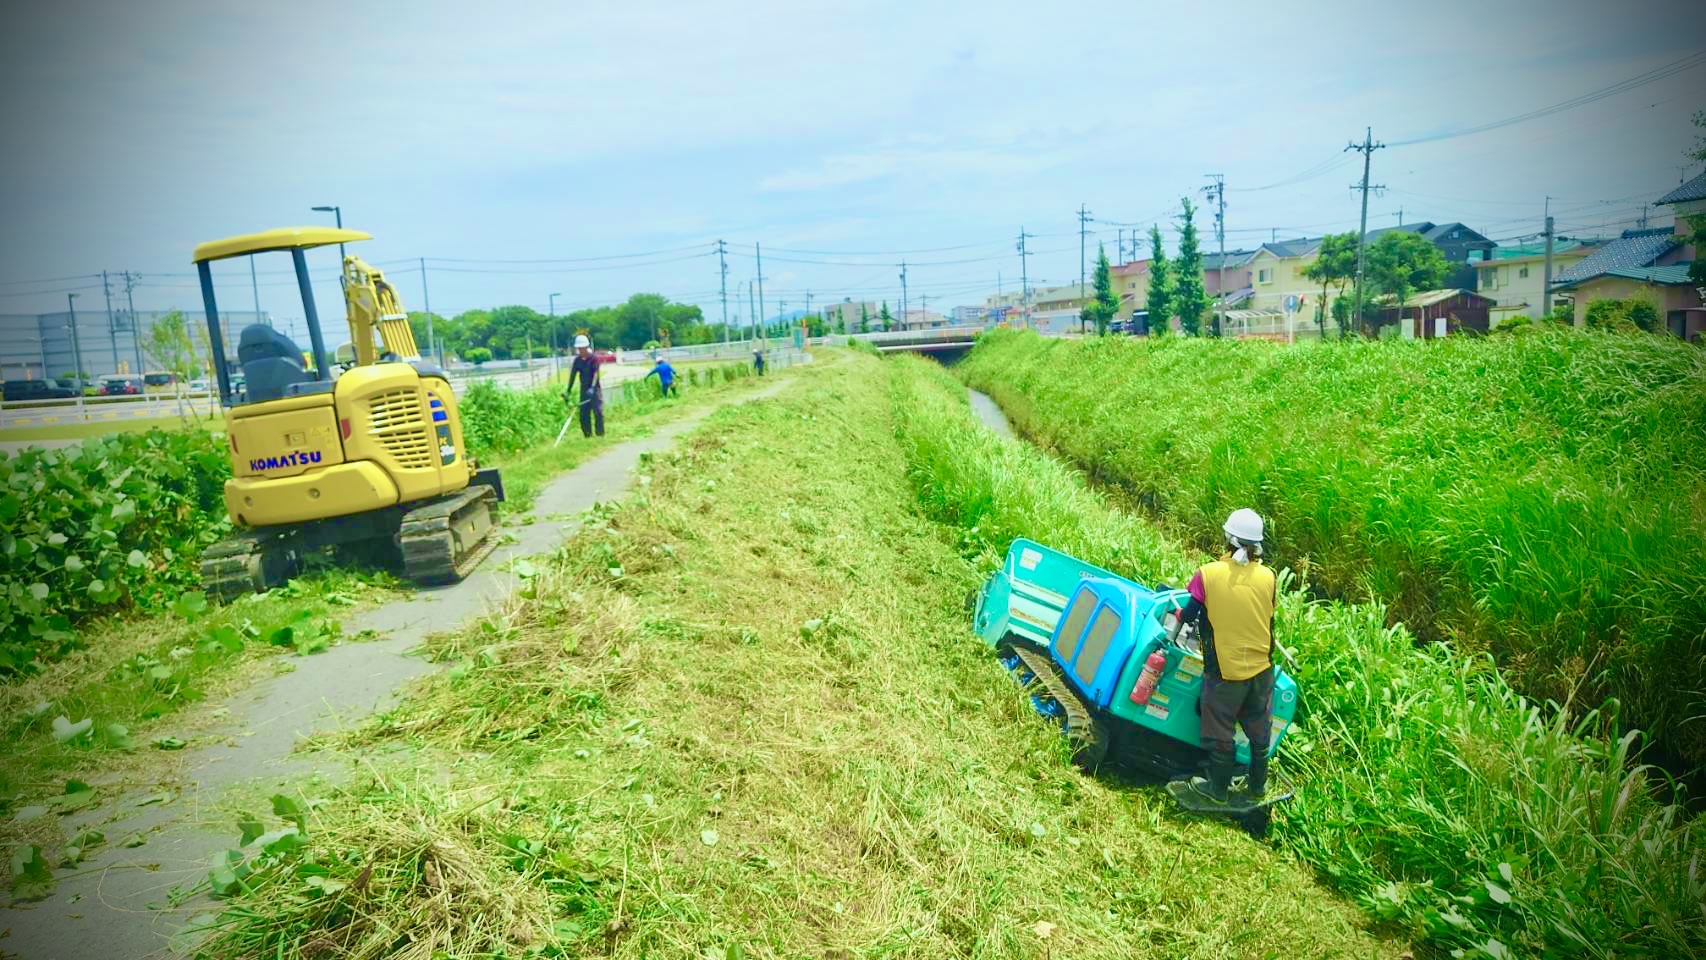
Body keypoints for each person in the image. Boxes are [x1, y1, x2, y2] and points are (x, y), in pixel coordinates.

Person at [1178, 508, 1278, 804]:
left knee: (1219, 724)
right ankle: (1257, 788)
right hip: (1262, 668)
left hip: (1226, 669)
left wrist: (1179, 615)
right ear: (1256, 545)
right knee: (1260, 730)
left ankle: (1218, 790)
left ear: (1227, 539)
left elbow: (1189, 614)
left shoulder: (1208, 574)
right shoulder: (1269, 576)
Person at [564, 334, 604, 438]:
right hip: (584, 390)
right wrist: (568, 390)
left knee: (598, 412)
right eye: (579, 348)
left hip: (594, 390)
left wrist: (592, 387)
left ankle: (600, 434)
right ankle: (588, 435)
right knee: (583, 415)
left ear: (587, 347)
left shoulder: (594, 359)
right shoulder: (577, 361)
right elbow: (572, 376)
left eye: (582, 348)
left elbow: (596, 374)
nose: (580, 350)